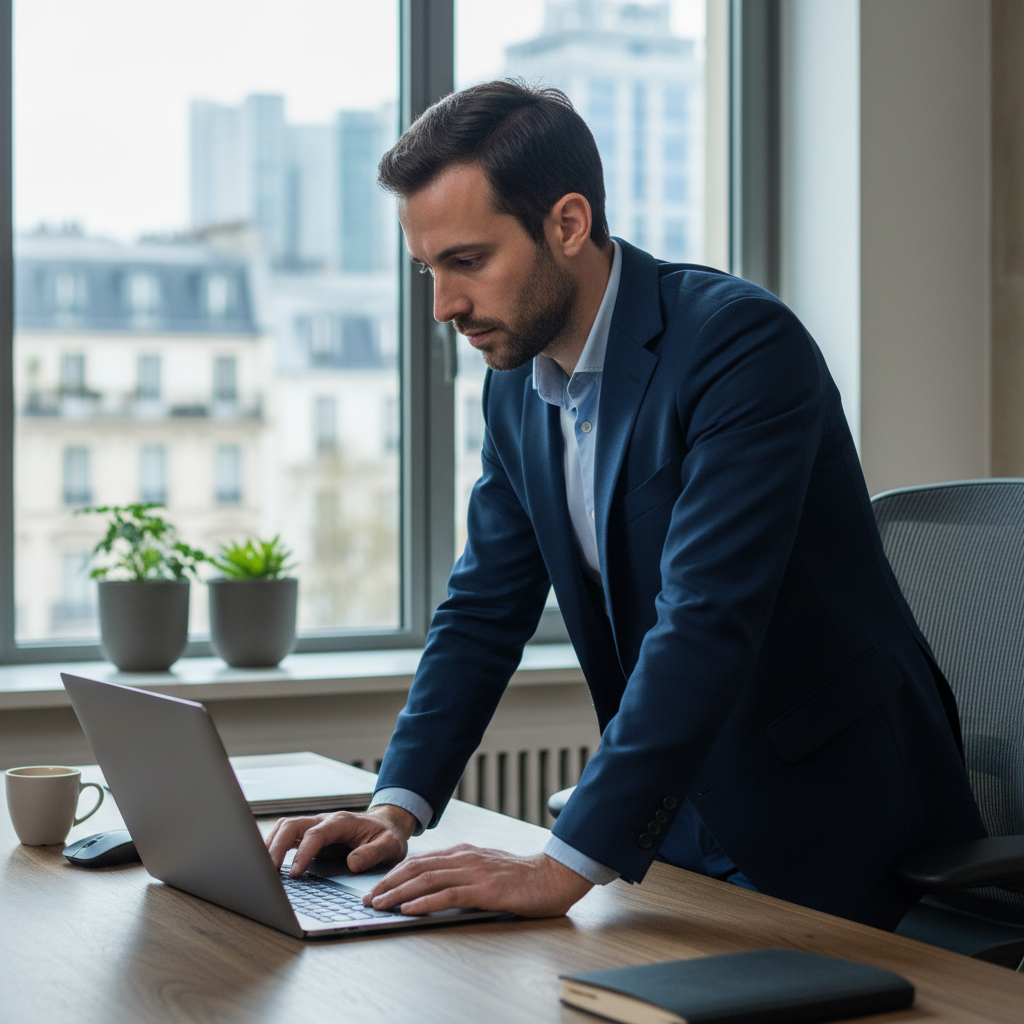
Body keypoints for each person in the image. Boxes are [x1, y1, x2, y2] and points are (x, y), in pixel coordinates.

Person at [266, 80, 984, 930]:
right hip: (677, 831)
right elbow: (482, 610)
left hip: (834, 826)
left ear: (568, 225)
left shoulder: (742, 346)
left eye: (467, 262)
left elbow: (705, 620)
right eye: (428, 270)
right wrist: (397, 809)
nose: (443, 307)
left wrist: (560, 865)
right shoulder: (517, 388)